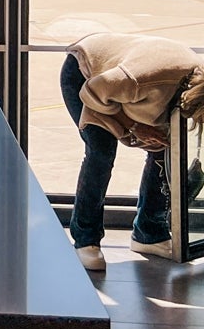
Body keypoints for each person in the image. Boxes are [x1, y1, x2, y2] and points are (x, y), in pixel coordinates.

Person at [62, 31, 204, 271]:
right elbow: (92, 92)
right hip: (87, 73)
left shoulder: (192, 85)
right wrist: (134, 126)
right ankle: (85, 239)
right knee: (101, 152)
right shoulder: (146, 80)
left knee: (163, 148)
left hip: (129, 81)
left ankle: (149, 233)